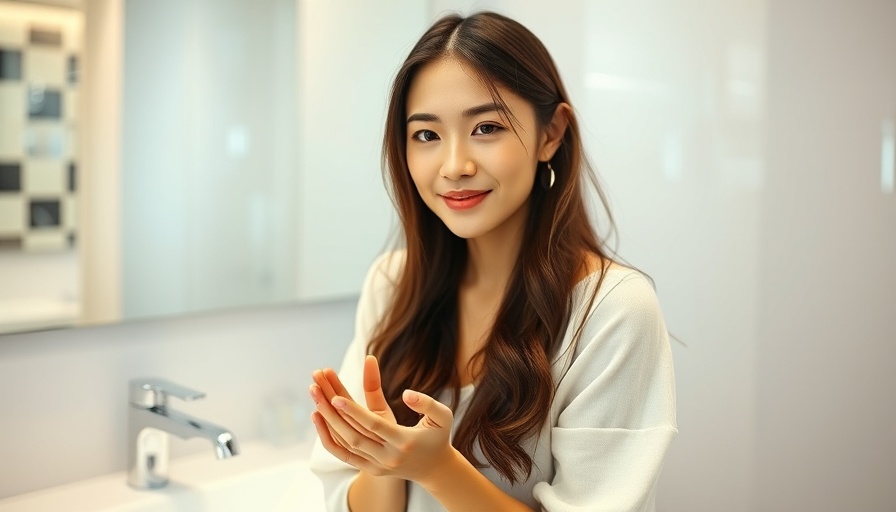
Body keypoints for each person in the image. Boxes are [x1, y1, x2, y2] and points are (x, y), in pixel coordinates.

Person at [308, 10, 677, 512]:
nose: (455, 166)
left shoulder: (613, 311)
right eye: (427, 135)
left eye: (485, 127)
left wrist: (438, 469)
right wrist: (380, 459)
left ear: (551, 134)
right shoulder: (393, 283)